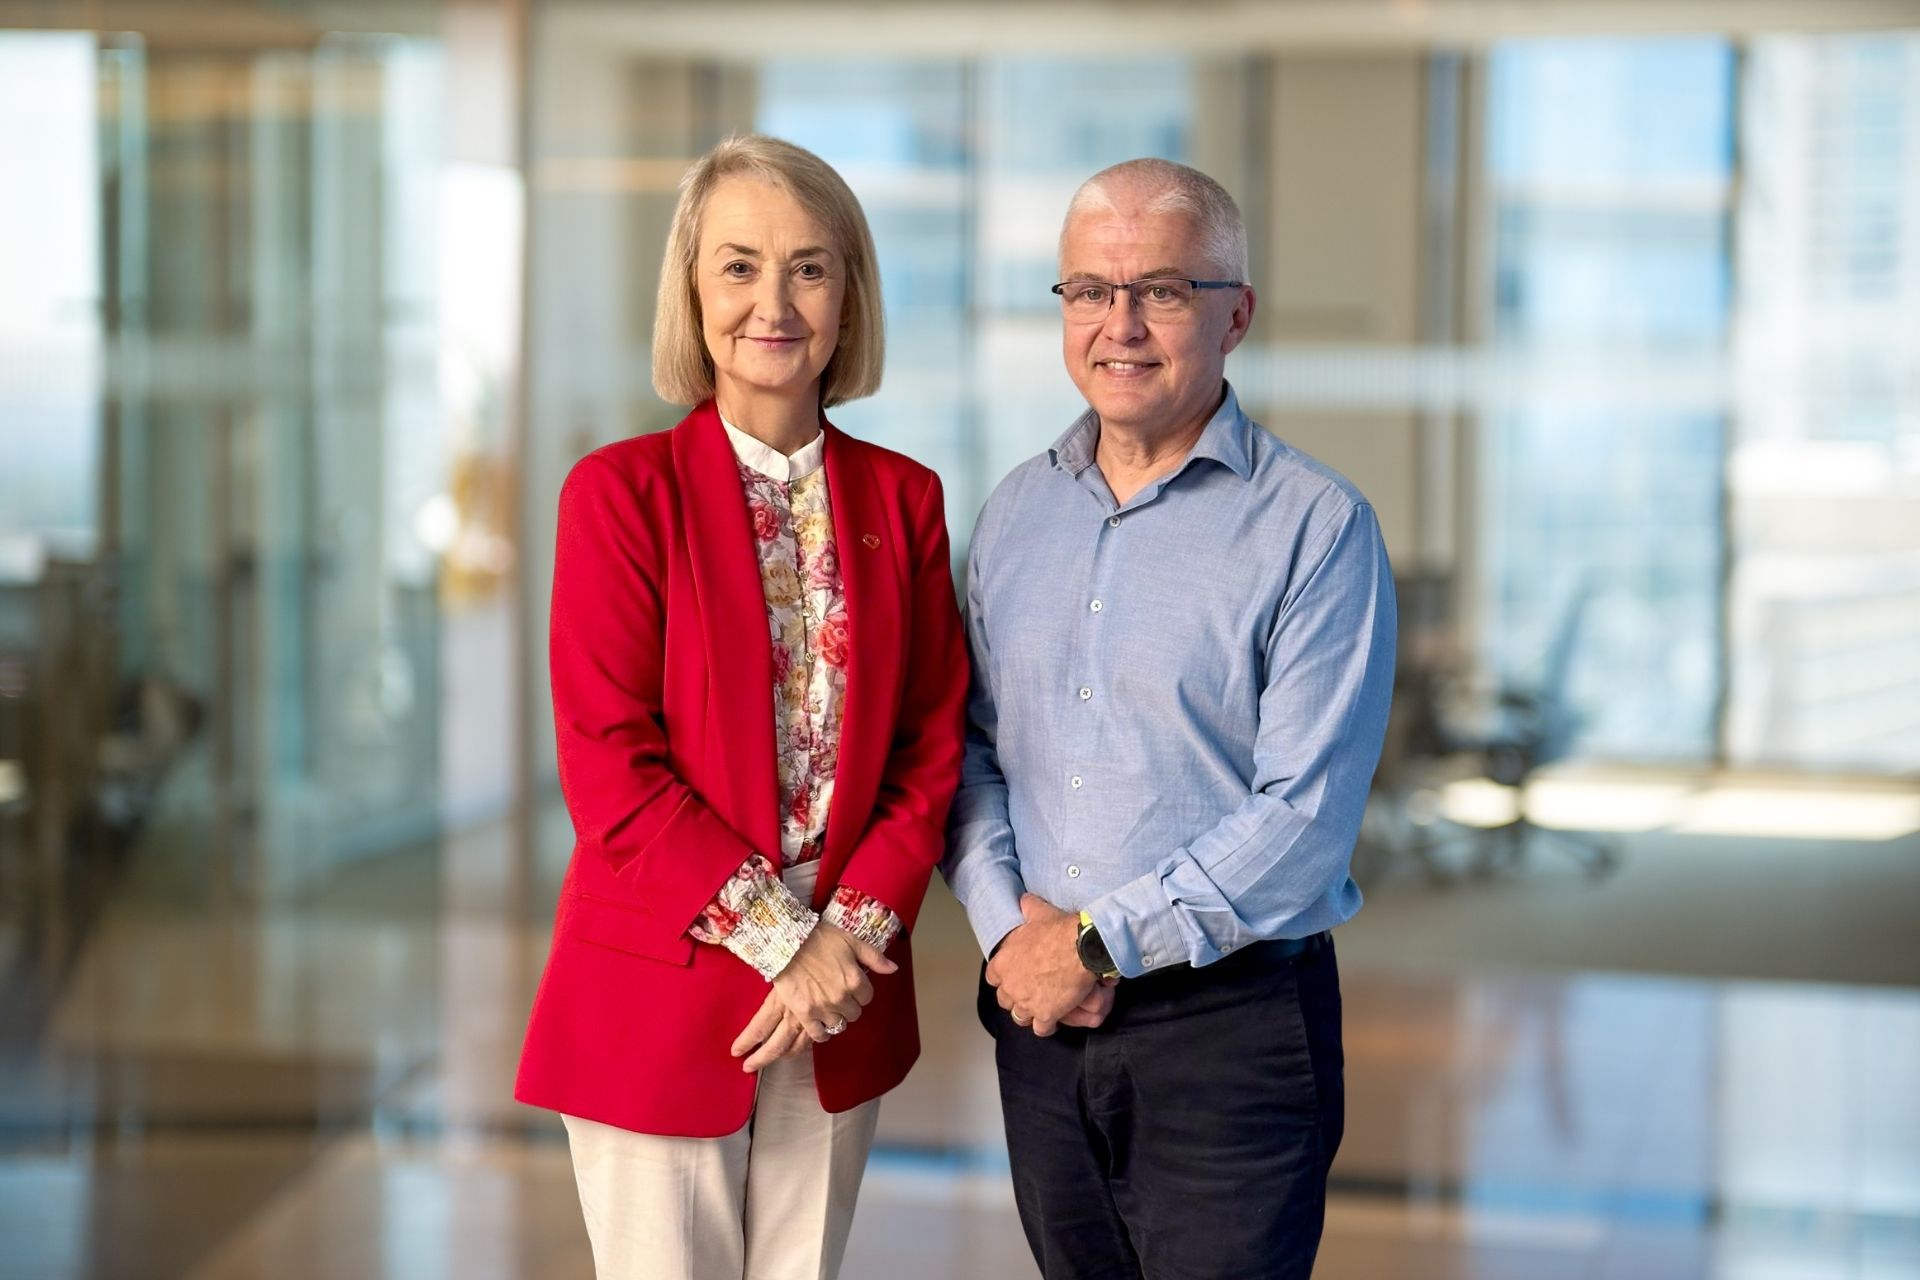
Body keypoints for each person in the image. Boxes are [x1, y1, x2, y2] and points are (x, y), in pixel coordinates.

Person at [515, 134, 968, 1280]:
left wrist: (844, 943)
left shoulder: (904, 497)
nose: (775, 301)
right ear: (692, 288)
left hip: (843, 984)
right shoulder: (617, 494)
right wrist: (786, 944)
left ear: (850, 294)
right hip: (668, 975)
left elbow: (930, 746)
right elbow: (610, 768)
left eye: (810, 267)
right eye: (740, 265)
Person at [941, 157, 1396, 1279]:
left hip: (1228, 1031)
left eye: (1162, 289)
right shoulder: (1015, 513)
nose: (1121, 323)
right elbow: (972, 753)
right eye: (1090, 290)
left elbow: (1303, 822)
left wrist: (1094, 940)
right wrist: (1013, 934)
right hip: (1041, 1027)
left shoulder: (1316, 528)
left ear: (1234, 314)